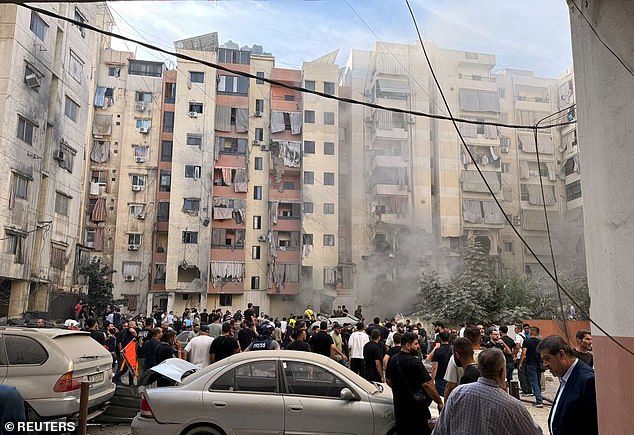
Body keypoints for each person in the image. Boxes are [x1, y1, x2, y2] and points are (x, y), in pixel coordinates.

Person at [432, 348, 542, 435]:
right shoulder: (512, 406)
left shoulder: (458, 393)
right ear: (502, 371)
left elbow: (440, 430)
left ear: (479, 369)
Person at [537, 335, 597, 435]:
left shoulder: (588, 380)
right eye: (543, 360)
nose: (545, 364)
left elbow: (593, 425)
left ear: (561, 354)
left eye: (547, 359)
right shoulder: (566, 376)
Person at [386, 332, 443, 435]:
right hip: (417, 410)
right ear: (407, 345)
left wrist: (400, 389)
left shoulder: (394, 359)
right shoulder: (414, 362)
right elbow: (428, 384)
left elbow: (389, 381)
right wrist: (439, 401)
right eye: (416, 344)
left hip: (400, 409)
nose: (418, 346)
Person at [443, 326, 481, 402]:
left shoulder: (458, 356)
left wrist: (446, 406)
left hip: (463, 399)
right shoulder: (487, 357)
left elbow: (450, 385)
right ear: (480, 340)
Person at [520, 326, 543, 407]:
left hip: (530, 363)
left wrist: (521, 363)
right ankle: (539, 397)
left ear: (530, 332)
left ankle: (539, 401)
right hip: (539, 364)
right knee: (538, 381)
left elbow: (524, 353)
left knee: (534, 382)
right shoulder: (540, 342)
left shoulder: (526, 341)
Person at [431, 331, 452, 396]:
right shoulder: (453, 350)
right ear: (449, 338)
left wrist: (432, 379)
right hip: (451, 377)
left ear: (440, 338)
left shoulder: (438, 351)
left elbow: (435, 367)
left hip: (440, 377)